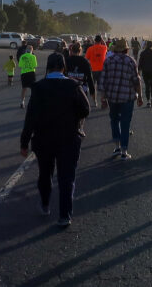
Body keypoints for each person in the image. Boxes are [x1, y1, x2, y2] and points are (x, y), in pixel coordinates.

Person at [20, 53, 91, 228]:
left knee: (45, 173)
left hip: (44, 139)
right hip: (68, 137)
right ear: (63, 67)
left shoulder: (38, 87)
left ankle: (45, 204)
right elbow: (86, 109)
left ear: (48, 67)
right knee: (67, 177)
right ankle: (64, 215)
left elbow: (30, 117)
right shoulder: (73, 85)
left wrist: (24, 142)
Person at [97, 39, 144, 159]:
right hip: (127, 97)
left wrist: (103, 98)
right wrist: (140, 96)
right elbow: (136, 80)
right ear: (126, 49)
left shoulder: (108, 60)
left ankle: (117, 146)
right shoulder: (130, 61)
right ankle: (124, 151)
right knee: (125, 123)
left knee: (114, 120)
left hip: (112, 97)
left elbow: (102, 81)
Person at [138, 40, 152, 107]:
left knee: (147, 86)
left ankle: (148, 102)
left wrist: (139, 70)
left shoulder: (143, 53)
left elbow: (140, 63)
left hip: (145, 71)